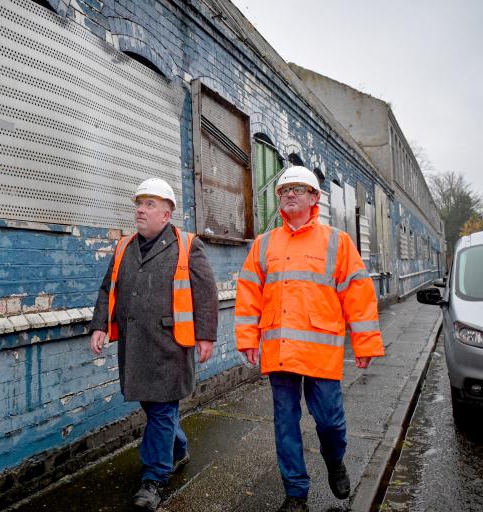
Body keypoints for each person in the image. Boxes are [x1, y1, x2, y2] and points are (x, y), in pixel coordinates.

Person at [235, 166, 385, 512]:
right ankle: (296, 493)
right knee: (286, 423)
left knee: (330, 422)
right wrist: (247, 339)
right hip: (280, 350)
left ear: (314, 198)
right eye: (285, 189)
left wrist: (365, 343)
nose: (291, 194)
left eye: (300, 189)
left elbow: (359, 295)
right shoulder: (264, 244)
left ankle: (335, 460)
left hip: (321, 350)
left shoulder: (337, 242)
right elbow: (248, 294)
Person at [89, 177, 219, 511]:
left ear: (167, 212)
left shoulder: (188, 245)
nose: (140, 210)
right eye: (139, 203)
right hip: (134, 346)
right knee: (154, 407)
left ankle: (153, 479)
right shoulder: (123, 247)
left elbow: (206, 294)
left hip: (170, 346)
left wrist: (206, 335)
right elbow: (109, 289)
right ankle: (177, 449)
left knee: (161, 410)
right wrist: (100, 326)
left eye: (149, 204)